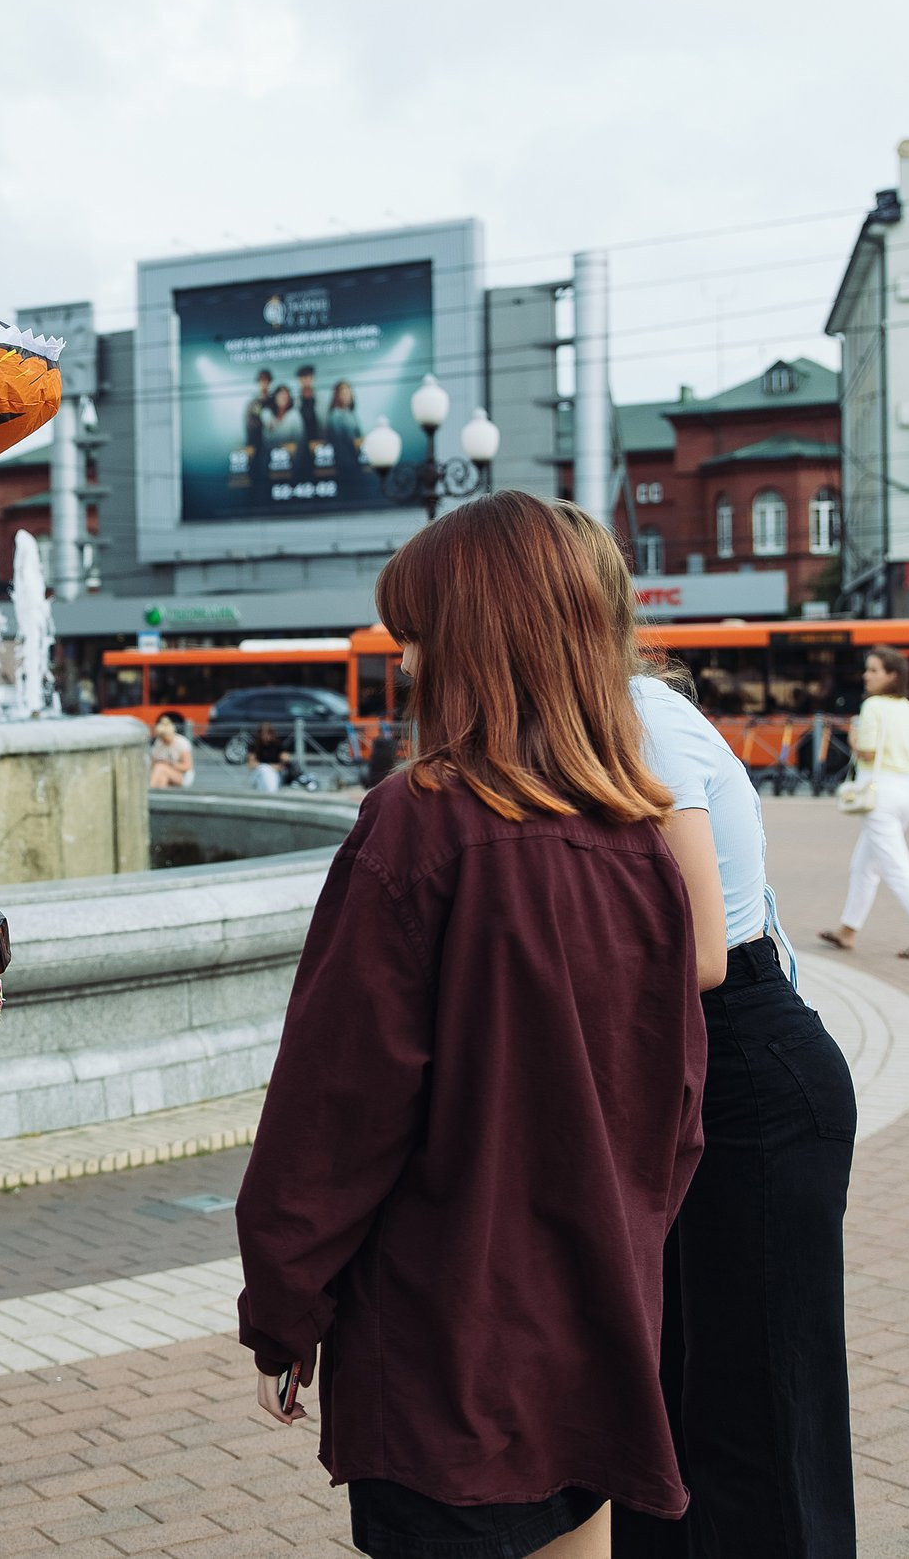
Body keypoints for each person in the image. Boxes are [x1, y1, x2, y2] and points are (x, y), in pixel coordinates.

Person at [237, 491, 707, 1559]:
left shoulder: (419, 823)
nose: (404, 668)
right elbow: (678, 1104)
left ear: (475, 646)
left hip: (447, 1337)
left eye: (418, 639)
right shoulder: (640, 842)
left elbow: (337, 1105)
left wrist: (284, 1305)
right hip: (597, 1336)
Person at [558, 502, 859, 1556]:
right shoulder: (588, 718)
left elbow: (695, 947)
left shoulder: (633, 711)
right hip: (693, 1067)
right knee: (674, 1412)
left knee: (760, 1423)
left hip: (743, 1063)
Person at [819, 647, 909, 960]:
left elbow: (868, 751)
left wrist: (854, 739)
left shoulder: (872, 706)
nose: (867, 675)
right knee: (864, 865)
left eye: (874, 670)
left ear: (891, 675)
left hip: (880, 795)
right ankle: (848, 930)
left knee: (897, 867)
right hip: (907, 792)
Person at [149, 709, 196, 788]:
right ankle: (159, 797)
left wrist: (169, 764)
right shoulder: (159, 742)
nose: (164, 741)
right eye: (163, 739)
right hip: (166, 772)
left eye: (166, 738)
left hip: (183, 776)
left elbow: (187, 766)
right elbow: (153, 761)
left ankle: (149, 788)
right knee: (162, 779)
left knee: (160, 767)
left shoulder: (182, 743)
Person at [325, 379, 363, 469]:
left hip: (355, 460)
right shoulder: (335, 415)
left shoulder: (351, 413)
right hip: (345, 463)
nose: (346, 396)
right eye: (343, 393)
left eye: (348, 392)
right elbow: (339, 443)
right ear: (337, 396)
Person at [248, 720, 290, 792]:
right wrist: (268, 766)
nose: (266, 736)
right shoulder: (255, 746)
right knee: (264, 769)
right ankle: (271, 791)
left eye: (268, 734)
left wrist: (278, 766)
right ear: (259, 734)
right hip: (260, 771)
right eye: (264, 734)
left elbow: (285, 760)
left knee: (267, 775)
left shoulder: (278, 745)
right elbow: (251, 764)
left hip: (274, 772)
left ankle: (269, 791)